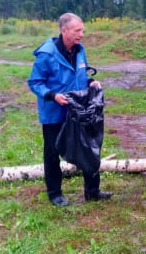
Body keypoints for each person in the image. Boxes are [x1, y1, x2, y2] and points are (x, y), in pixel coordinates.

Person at [28, 12, 113, 206]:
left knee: (87, 147)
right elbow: (35, 82)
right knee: (52, 152)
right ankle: (55, 193)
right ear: (64, 30)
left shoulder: (79, 50)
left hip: (78, 110)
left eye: (82, 30)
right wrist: (53, 96)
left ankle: (92, 191)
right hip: (53, 112)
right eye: (77, 30)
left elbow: (80, 76)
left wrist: (91, 82)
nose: (81, 34)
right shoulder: (47, 54)